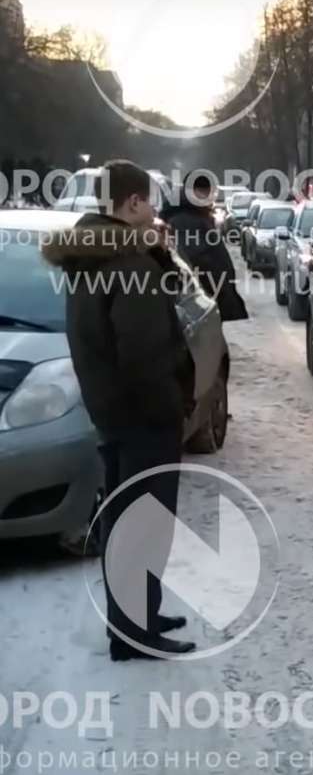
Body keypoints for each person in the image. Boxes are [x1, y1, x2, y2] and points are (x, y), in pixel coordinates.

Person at [42, 159, 197, 661]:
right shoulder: (128, 264)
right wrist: (170, 409)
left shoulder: (95, 253)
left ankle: (136, 615)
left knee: (125, 516)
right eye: (149, 201)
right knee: (144, 523)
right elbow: (144, 353)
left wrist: (157, 253)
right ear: (132, 202)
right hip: (143, 419)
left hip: (112, 412)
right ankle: (133, 632)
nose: (154, 210)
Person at [160, 174, 249, 322]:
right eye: (208, 193)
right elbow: (193, 261)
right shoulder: (185, 220)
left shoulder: (194, 214)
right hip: (203, 302)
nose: (212, 198)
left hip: (207, 299)